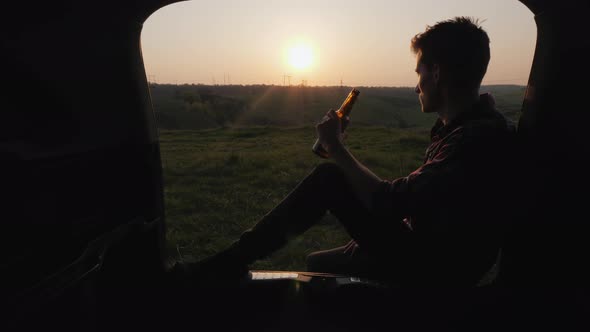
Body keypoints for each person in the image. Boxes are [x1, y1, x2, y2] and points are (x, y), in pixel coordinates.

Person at [175, 17, 516, 286]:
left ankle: (226, 264)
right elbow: (413, 199)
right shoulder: (469, 127)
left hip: (436, 270)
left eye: (420, 73)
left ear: (437, 73)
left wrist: (336, 148)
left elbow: (391, 201)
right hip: (429, 250)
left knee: (330, 179)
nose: (416, 86)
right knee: (317, 263)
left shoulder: (475, 138)